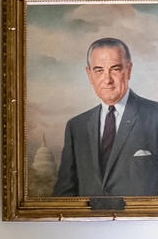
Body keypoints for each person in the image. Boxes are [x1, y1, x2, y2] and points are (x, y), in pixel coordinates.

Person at [52, 37, 158, 197]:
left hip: (141, 221)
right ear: (89, 74)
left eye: (115, 69)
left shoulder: (154, 116)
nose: (107, 79)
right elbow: (64, 195)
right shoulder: (76, 126)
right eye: (99, 70)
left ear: (128, 70)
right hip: (87, 221)